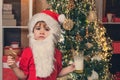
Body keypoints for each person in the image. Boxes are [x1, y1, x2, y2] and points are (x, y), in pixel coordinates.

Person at [7, 10, 75, 80]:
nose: (42, 32)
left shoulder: (57, 53)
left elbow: (57, 73)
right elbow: (23, 76)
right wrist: (14, 67)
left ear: (53, 33)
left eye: (47, 29)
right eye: (38, 28)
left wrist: (70, 68)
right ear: (33, 32)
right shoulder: (28, 52)